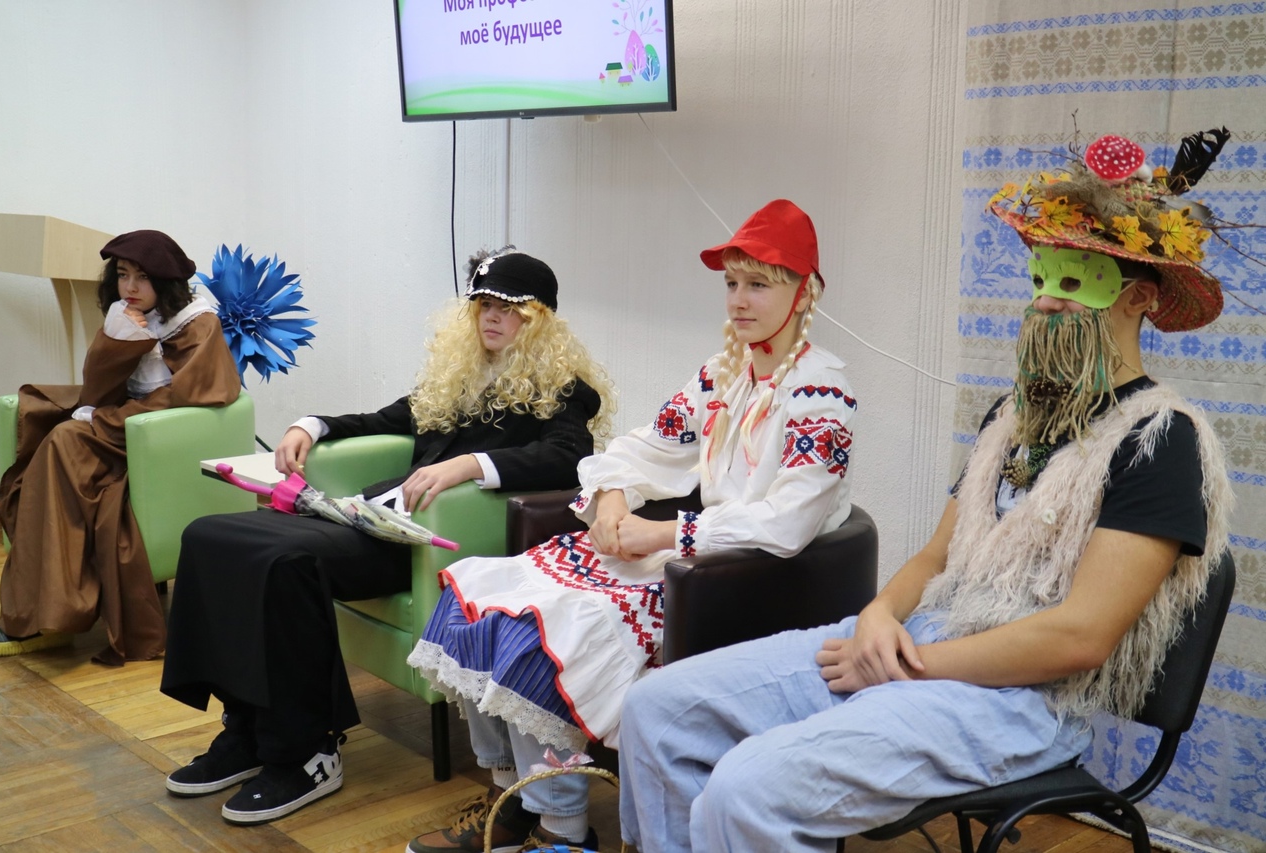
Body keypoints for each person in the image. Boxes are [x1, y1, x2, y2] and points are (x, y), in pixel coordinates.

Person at [615, 131, 1236, 852]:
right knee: (656, 709)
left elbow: (1081, 636)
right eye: (1041, 278)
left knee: (746, 787)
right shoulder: (1011, 418)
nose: (1046, 301)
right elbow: (939, 556)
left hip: (1022, 700)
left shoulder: (1162, 440)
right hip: (924, 640)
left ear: (1138, 297)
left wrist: (903, 664)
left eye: (1076, 282)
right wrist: (879, 616)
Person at [407, 199, 858, 853]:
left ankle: (562, 829)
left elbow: (787, 522)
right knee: (478, 591)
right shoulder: (723, 374)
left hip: (749, 579)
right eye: (732, 282)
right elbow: (643, 447)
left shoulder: (822, 393)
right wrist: (613, 499)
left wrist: (663, 534)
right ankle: (511, 800)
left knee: (544, 632)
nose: (738, 299)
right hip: (694, 557)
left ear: (804, 291)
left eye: (759, 283)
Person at [158, 248, 614, 826]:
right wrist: (311, 424)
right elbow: (384, 421)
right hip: (371, 518)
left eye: (510, 308)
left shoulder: (563, 388)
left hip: (422, 542)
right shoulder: (459, 377)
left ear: (539, 319)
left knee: (283, 560)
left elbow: (569, 457)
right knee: (210, 536)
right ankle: (245, 730)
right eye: (483, 305)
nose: (493, 317)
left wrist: (469, 465)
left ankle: (307, 753)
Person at [0, 230, 241, 665]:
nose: (130, 287)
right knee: (52, 444)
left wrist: (105, 419)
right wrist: (116, 339)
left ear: (164, 281)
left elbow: (186, 397)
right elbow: (97, 389)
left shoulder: (198, 323)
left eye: (142, 277)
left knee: (63, 442)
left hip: (157, 442)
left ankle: (43, 615)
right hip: (122, 431)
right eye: (122, 275)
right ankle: (44, 610)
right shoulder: (128, 315)